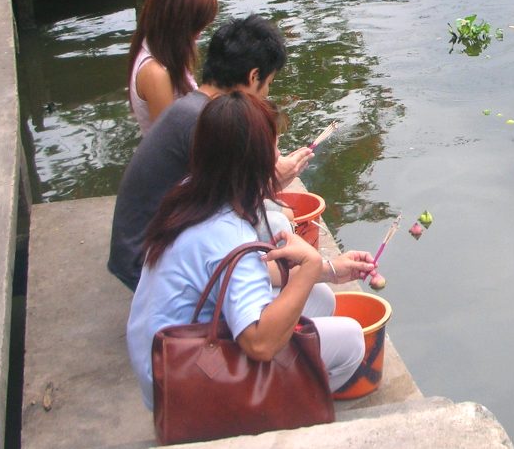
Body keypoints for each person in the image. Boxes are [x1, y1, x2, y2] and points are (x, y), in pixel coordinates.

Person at [126, 91, 375, 410]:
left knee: (320, 297)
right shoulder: (229, 235)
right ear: (253, 163)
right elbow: (260, 343)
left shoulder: (194, 191)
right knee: (351, 340)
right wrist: (311, 267)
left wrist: (329, 270)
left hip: (163, 363)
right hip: (184, 389)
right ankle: (267, 419)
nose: (279, 155)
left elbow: (251, 269)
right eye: (274, 149)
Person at [109, 14, 314, 291]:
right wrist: (273, 180)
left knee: (276, 218)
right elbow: (232, 206)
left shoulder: (193, 108)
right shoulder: (205, 124)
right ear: (253, 77)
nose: (266, 94)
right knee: (276, 232)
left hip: (141, 245)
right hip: (146, 261)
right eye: (268, 84)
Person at [128, 0, 218, 135]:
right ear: (179, 24)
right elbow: (170, 139)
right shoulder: (155, 73)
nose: (199, 35)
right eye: (196, 27)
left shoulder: (162, 52)